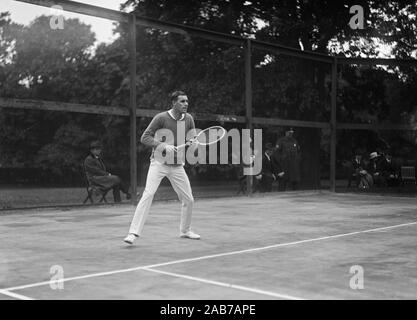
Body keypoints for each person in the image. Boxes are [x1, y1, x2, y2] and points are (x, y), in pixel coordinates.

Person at [124, 90, 200, 245]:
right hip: (158, 163)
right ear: (173, 103)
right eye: (182, 101)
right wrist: (163, 146)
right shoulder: (161, 118)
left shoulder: (189, 119)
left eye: (187, 101)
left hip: (177, 166)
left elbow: (192, 140)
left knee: (189, 199)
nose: (186, 104)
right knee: (148, 194)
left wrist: (195, 144)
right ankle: (133, 233)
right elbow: (145, 137)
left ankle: (185, 231)